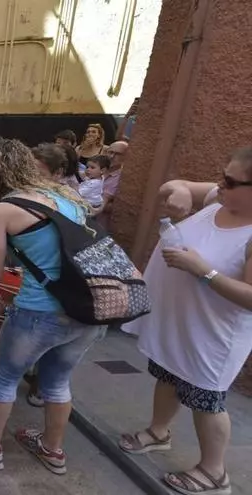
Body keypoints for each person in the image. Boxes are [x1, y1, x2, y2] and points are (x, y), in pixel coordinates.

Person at [0, 139, 106, 475]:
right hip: (86, 309)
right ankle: (53, 451)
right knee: (57, 382)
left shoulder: (3, 210)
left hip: (38, 312)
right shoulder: (68, 198)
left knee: (5, 378)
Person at [119, 146, 252, 495]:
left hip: (214, 335)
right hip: (179, 321)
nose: (220, 184)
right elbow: (174, 185)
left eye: (231, 181)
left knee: (205, 400)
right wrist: (177, 189)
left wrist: (202, 271)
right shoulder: (216, 198)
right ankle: (158, 431)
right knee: (167, 373)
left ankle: (214, 472)